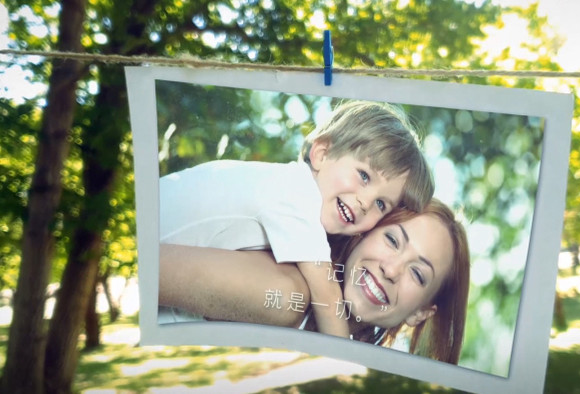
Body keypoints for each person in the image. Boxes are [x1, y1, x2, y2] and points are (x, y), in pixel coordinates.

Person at [159, 101, 434, 338]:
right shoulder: (295, 194)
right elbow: (327, 296)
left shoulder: (292, 194)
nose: (364, 203)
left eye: (381, 204)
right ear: (321, 153)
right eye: (364, 175)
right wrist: (346, 372)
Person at [159, 199, 470, 364]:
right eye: (391, 239)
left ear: (421, 313)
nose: (392, 269)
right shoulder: (288, 294)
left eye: (417, 273)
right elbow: (153, 268)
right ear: (364, 233)